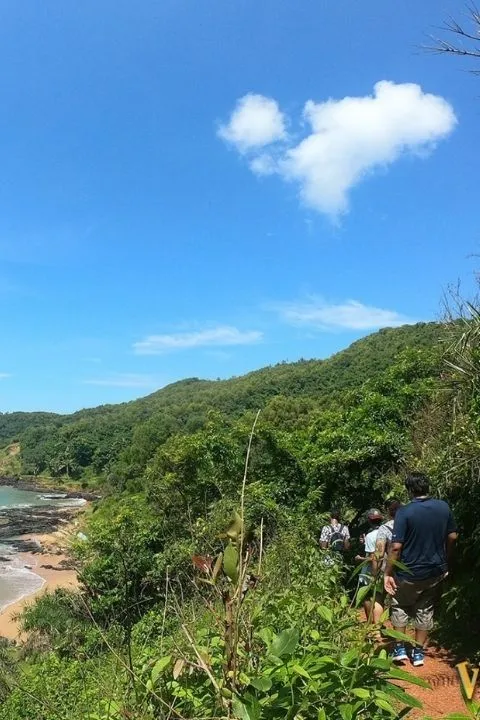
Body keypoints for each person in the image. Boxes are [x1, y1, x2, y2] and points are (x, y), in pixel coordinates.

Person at [384, 472, 457, 668]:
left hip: (408, 572)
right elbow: (452, 537)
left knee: (399, 604)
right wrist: (446, 560)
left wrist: (388, 573)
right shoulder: (443, 507)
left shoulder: (405, 512)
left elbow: (396, 547)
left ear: (409, 490)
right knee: (425, 608)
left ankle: (400, 649)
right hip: (435, 571)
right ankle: (418, 652)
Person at [355, 508, 384, 625]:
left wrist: (360, 559)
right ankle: (379, 623)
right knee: (379, 597)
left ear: (369, 520)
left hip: (371, 572)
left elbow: (373, 558)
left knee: (367, 597)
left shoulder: (371, 536)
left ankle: (370, 623)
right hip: (384, 569)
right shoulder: (386, 533)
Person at [372, 498, 402, 578]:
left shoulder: (384, 528)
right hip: (412, 568)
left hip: (392, 571)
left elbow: (379, 553)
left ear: (387, 511)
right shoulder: (409, 524)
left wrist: (374, 575)